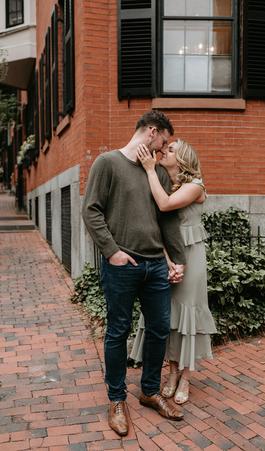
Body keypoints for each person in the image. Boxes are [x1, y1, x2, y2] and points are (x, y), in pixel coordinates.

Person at [82, 111, 186, 437]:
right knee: (118, 331)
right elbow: (91, 210)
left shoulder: (157, 172)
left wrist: (176, 260)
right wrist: (112, 252)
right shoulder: (108, 163)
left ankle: (150, 391)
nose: (164, 147)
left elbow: (167, 218)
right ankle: (116, 399)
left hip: (155, 265)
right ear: (151, 132)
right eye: (163, 141)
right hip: (122, 266)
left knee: (158, 329)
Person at [130, 139, 217, 404]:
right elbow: (156, 226)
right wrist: (168, 261)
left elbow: (166, 204)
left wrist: (147, 170)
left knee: (188, 313)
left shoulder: (195, 186)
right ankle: (170, 373)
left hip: (192, 254)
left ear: (183, 159)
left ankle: (186, 377)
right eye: (164, 149)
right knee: (166, 315)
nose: (162, 152)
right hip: (166, 254)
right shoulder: (160, 181)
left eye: (170, 150)